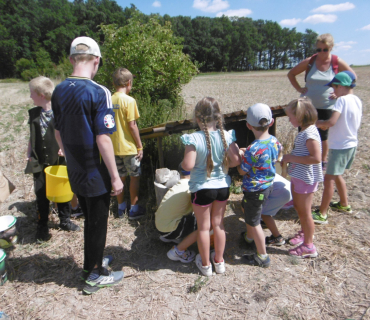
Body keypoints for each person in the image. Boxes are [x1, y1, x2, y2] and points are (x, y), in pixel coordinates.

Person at [51, 36, 124, 295]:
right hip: (96, 171)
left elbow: (58, 132)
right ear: (96, 60)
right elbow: (103, 138)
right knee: (98, 222)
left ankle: (92, 261)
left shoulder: (58, 90)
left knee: (90, 219)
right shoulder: (98, 91)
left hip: (75, 169)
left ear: (71, 59)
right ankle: (94, 274)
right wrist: (115, 176)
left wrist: (71, 161)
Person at [181, 97, 240, 276]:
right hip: (222, 187)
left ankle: (206, 266)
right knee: (219, 225)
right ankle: (219, 262)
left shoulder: (193, 139)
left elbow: (188, 166)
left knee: (204, 228)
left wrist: (183, 164)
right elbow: (236, 160)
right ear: (219, 117)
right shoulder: (227, 136)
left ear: (198, 118)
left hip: (202, 189)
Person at [287, 33, 356, 169]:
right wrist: (299, 89)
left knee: (323, 134)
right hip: (307, 105)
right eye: (319, 49)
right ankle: (304, 157)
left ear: (331, 48)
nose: (322, 52)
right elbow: (291, 74)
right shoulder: (310, 62)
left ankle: (322, 161)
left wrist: (341, 94)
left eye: (325, 49)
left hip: (327, 105)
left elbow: (352, 77)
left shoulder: (336, 62)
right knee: (304, 132)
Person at [25, 76, 80, 242]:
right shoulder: (34, 113)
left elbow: (70, 133)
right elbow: (32, 136)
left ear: (41, 94)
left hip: (58, 160)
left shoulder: (61, 112)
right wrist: (28, 153)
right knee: (41, 193)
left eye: (31, 93)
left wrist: (67, 149)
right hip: (39, 160)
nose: (30, 97)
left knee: (62, 191)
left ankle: (65, 220)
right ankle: (42, 225)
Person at [313, 71, 362, 223]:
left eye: (334, 87)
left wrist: (319, 124)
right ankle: (344, 204)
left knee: (328, 179)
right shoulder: (357, 99)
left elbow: (332, 122)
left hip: (340, 146)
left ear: (341, 86)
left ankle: (322, 213)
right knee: (337, 174)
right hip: (351, 144)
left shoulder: (341, 101)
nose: (333, 90)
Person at [237, 103, 282, 268]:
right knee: (249, 211)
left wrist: (242, 156)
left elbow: (242, 171)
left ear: (248, 125)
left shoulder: (252, 149)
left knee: (254, 221)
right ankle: (249, 237)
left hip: (255, 191)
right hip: (268, 186)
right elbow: (274, 155)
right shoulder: (275, 141)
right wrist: (248, 153)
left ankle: (262, 256)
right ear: (271, 122)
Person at [282, 97, 323, 258]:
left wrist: (291, 158)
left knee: (305, 213)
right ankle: (304, 233)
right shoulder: (305, 131)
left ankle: (308, 246)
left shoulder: (310, 134)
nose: (289, 119)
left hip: (306, 179)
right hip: (300, 177)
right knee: (300, 209)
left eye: (290, 116)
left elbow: (316, 158)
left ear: (300, 116)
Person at [110, 68, 145, 220]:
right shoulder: (129, 101)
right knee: (134, 177)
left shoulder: (109, 99)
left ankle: (120, 208)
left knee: (119, 177)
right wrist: (139, 145)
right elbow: (132, 125)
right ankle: (134, 209)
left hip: (113, 148)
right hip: (129, 148)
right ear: (129, 83)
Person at [155, 164, 197, 263]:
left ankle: (171, 237)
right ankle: (178, 251)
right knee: (205, 225)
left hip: (161, 227)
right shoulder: (191, 186)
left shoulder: (179, 184)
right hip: (169, 230)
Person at [241, 173, 292, 247]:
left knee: (264, 213)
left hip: (280, 192)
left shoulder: (254, 175)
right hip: (287, 190)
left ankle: (277, 237)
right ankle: (263, 222)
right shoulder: (265, 169)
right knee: (265, 210)